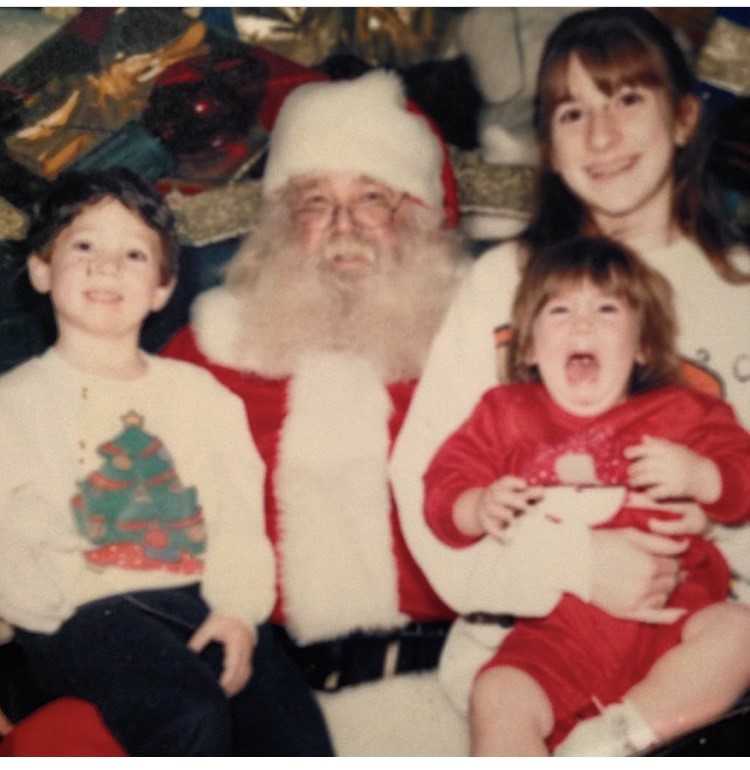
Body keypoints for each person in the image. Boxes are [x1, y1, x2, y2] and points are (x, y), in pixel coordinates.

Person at [392, 6, 750, 699]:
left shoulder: (739, 291)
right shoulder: (501, 284)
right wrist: (573, 562)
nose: (603, 135)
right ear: (549, 148)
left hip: (705, 661)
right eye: (571, 113)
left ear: (682, 118)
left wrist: (717, 523)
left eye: (626, 98)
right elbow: (425, 482)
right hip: (524, 653)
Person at [161, 70, 473, 754]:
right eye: (313, 202)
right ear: (279, 223)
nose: (342, 228)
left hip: (466, 701)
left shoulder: (480, 350)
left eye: (372, 199)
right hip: (272, 710)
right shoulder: (210, 350)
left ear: (420, 217)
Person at [0, 168, 332, 756]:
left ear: (161, 286)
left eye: (133, 253)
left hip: (195, 596)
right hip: (82, 614)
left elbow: (237, 517)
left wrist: (237, 613)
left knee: (288, 723)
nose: (107, 266)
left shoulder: (201, 397)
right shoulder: (15, 403)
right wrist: (39, 603)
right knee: (187, 710)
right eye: (83, 245)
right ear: (41, 268)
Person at [424, 237, 750, 756]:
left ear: (643, 345)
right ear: (528, 347)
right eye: (559, 310)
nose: (582, 324)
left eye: (606, 309)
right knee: (497, 693)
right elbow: (444, 485)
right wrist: (476, 506)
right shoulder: (506, 413)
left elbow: (742, 475)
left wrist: (703, 476)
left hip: (677, 615)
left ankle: (613, 740)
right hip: (558, 632)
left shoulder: (681, 413)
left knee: (741, 633)